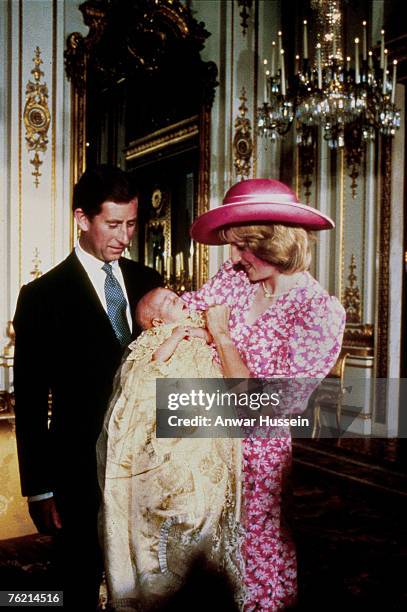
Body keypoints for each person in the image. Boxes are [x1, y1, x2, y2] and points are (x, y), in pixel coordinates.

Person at [182, 178, 346, 610]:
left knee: (252, 566)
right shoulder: (236, 280)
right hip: (206, 446)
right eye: (231, 245)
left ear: (275, 242)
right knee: (201, 568)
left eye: (243, 246)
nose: (233, 257)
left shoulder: (317, 310)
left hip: (257, 461)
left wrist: (219, 335)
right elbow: (179, 314)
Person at [13, 165, 162, 610]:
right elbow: (31, 403)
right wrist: (38, 489)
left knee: (145, 579)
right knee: (76, 582)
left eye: (132, 224)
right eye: (113, 224)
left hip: (147, 466)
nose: (124, 236)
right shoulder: (41, 296)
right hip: (77, 472)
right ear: (82, 219)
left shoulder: (148, 282)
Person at [97, 287, 242, 611]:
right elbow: (155, 361)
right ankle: (166, 582)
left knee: (209, 488)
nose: (174, 297)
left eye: (172, 293)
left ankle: (202, 571)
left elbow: (209, 337)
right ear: (157, 321)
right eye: (165, 301)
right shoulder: (157, 337)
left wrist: (200, 332)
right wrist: (176, 336)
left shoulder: (194, 321)